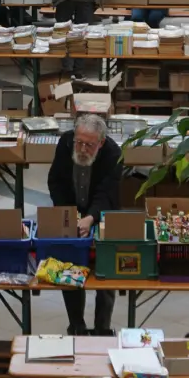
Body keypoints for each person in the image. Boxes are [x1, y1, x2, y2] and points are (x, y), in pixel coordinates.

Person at [46, 114, 121, 335]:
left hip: (102, 216)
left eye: (89, 145)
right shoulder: (65, 143)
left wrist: (90, 218)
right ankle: (76, 324)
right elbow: (55, 181)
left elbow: (107, 192)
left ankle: (102, 328)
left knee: (105, 274)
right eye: (79, 142)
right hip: (71, 212)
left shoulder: (114, 154)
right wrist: (68, 213)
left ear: (101, 143)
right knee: (70, 268)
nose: (82, 149)